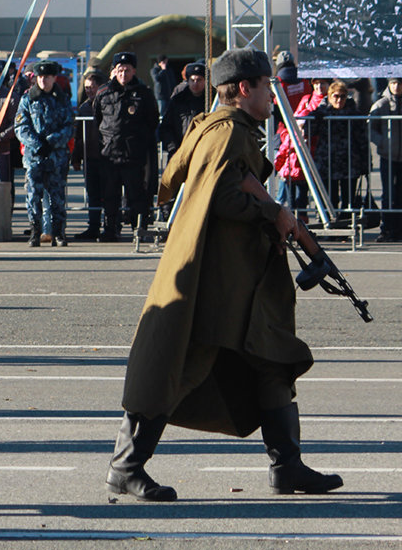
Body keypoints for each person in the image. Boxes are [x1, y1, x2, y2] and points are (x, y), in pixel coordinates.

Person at [107, 48, 341, 502]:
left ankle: (287, 467)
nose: (273, 94)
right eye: (266, 85)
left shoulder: (227, 131)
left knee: (272, 361)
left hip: (239, 279)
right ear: (243, 89)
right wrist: (273, 212)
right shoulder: (228, 133)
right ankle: (125, 466)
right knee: (178, 366)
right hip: (212, 281)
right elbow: (223, 197)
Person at [94, 52, 158, 242]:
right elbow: (98, 118)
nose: (123, 74)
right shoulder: (104, 92)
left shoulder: (144, 93)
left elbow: (152, 121)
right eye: (120, 70)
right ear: (114, 71)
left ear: (134, 71)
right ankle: (110, 229)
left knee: (137, 195)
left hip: (133, 154)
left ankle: (139, 229)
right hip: (110, 153)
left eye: (127, 70)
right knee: (110, 195)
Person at [14, 60, 74, 247]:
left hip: (57, 156)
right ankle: (35, 231)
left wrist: (52, 141)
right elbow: (21, 126)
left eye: (47, 77)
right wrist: (38, 144)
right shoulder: (28, 99)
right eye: (40, 77)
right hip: (35, 156)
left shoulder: (62, 99)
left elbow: (69, 126)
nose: (43, 81)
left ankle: (58, 232)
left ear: (54, 78)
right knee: (33, 195)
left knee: (57, 195)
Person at [310, 80, 368, 214]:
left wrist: (366, 163)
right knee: (330, 200)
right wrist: (315, 115)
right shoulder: (321, 113)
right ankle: (330, 229)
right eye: (336, 96)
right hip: (327, 163)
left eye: (342, 96)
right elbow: (309, 130)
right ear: (330, 97)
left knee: (349, 202)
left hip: (349, 164)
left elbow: (362, 140)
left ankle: (347, 227)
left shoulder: (354, 114)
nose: (339, 100)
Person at [71, 70, 105, 240]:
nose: (89, 91)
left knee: (108, 193)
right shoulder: (84, 107)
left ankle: (111, 225)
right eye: (87, 88)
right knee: (92, 193)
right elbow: (78, 136)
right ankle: (93, 226)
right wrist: (76, 157)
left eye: (92, 87)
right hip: (89, 155)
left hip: (106, 156)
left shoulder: (107, 103)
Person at [370, 77, 402, 242]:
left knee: (400, 194)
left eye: (399, 83)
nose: (396, 87)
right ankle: (387, 228)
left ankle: (399, 228)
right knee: (388, 193)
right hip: (388, 155)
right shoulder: (381, 104)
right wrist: (383, 142)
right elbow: (371, 127)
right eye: (393, 83)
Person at [159, 61, 208, 161]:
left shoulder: (210, 101)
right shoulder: (178, 101)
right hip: (179, 152)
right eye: (192, 80)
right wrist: (172, 148)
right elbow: (166, 126)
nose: (195, 84)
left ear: (205, 81)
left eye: (199, 80)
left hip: (203, 154)